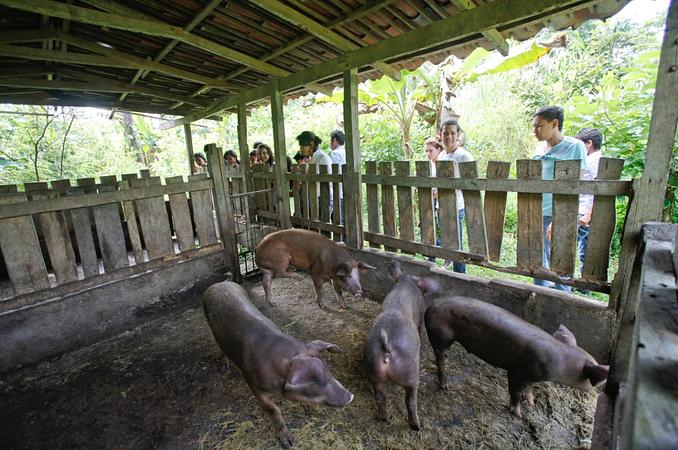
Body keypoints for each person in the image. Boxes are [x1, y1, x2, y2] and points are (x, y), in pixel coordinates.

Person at [531, 106, 588, 292]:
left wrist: (559, 218)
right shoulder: (539, 149)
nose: (535, 131)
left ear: (554, 123)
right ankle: (540, 297)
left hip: (562, 214)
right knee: (539, 262)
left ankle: (562, 303)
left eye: (539, 126)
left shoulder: (575, 147)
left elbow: (575, 186)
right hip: (539, 211)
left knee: (561, 263)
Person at [437, 120, 474, 273]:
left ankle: (461, 274)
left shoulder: (464, 156)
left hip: (457, 205)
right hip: (441, 205)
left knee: (457, 243)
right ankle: (450, 268)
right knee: (447, 241)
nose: (449, 136)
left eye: (453, 133)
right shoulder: (441, 155)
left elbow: (471, 183)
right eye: (446, 133)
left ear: (458, 135)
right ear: (441, 135)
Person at [575, 127, 603, 285]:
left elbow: (596, 191)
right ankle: (584, 283)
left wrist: (588, 214)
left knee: (579, 247)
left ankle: (583, 283)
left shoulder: (593, 161)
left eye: (580, 145)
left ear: (589, 143)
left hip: (584, 211)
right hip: (584, 210)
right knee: (583, 247)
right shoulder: (596, 160)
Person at [296, 130, 333, 217]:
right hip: (311, 197)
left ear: (312, 144)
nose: (301, 148)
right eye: (300, 145)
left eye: (303, 145)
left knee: (321, 227)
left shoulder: (322, 157)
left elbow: (325, 181)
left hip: (322, 197)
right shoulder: (310, 158)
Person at [425, 137, 444, 263]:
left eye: (430, 151)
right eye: (426, 151)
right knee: (433, 229)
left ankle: (444, 255)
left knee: (444, 230)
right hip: (432, 202)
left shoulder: (444, 163)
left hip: (445, 202)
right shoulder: (429, 166)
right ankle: (432, 257)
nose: (428, 154)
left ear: (438, 150)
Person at [329, 129, 346, 224]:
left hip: (338, 191)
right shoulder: (346, 152)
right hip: (347, 189)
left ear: (334, 140)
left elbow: (334, 171)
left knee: (338, 218)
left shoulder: (335, 153)